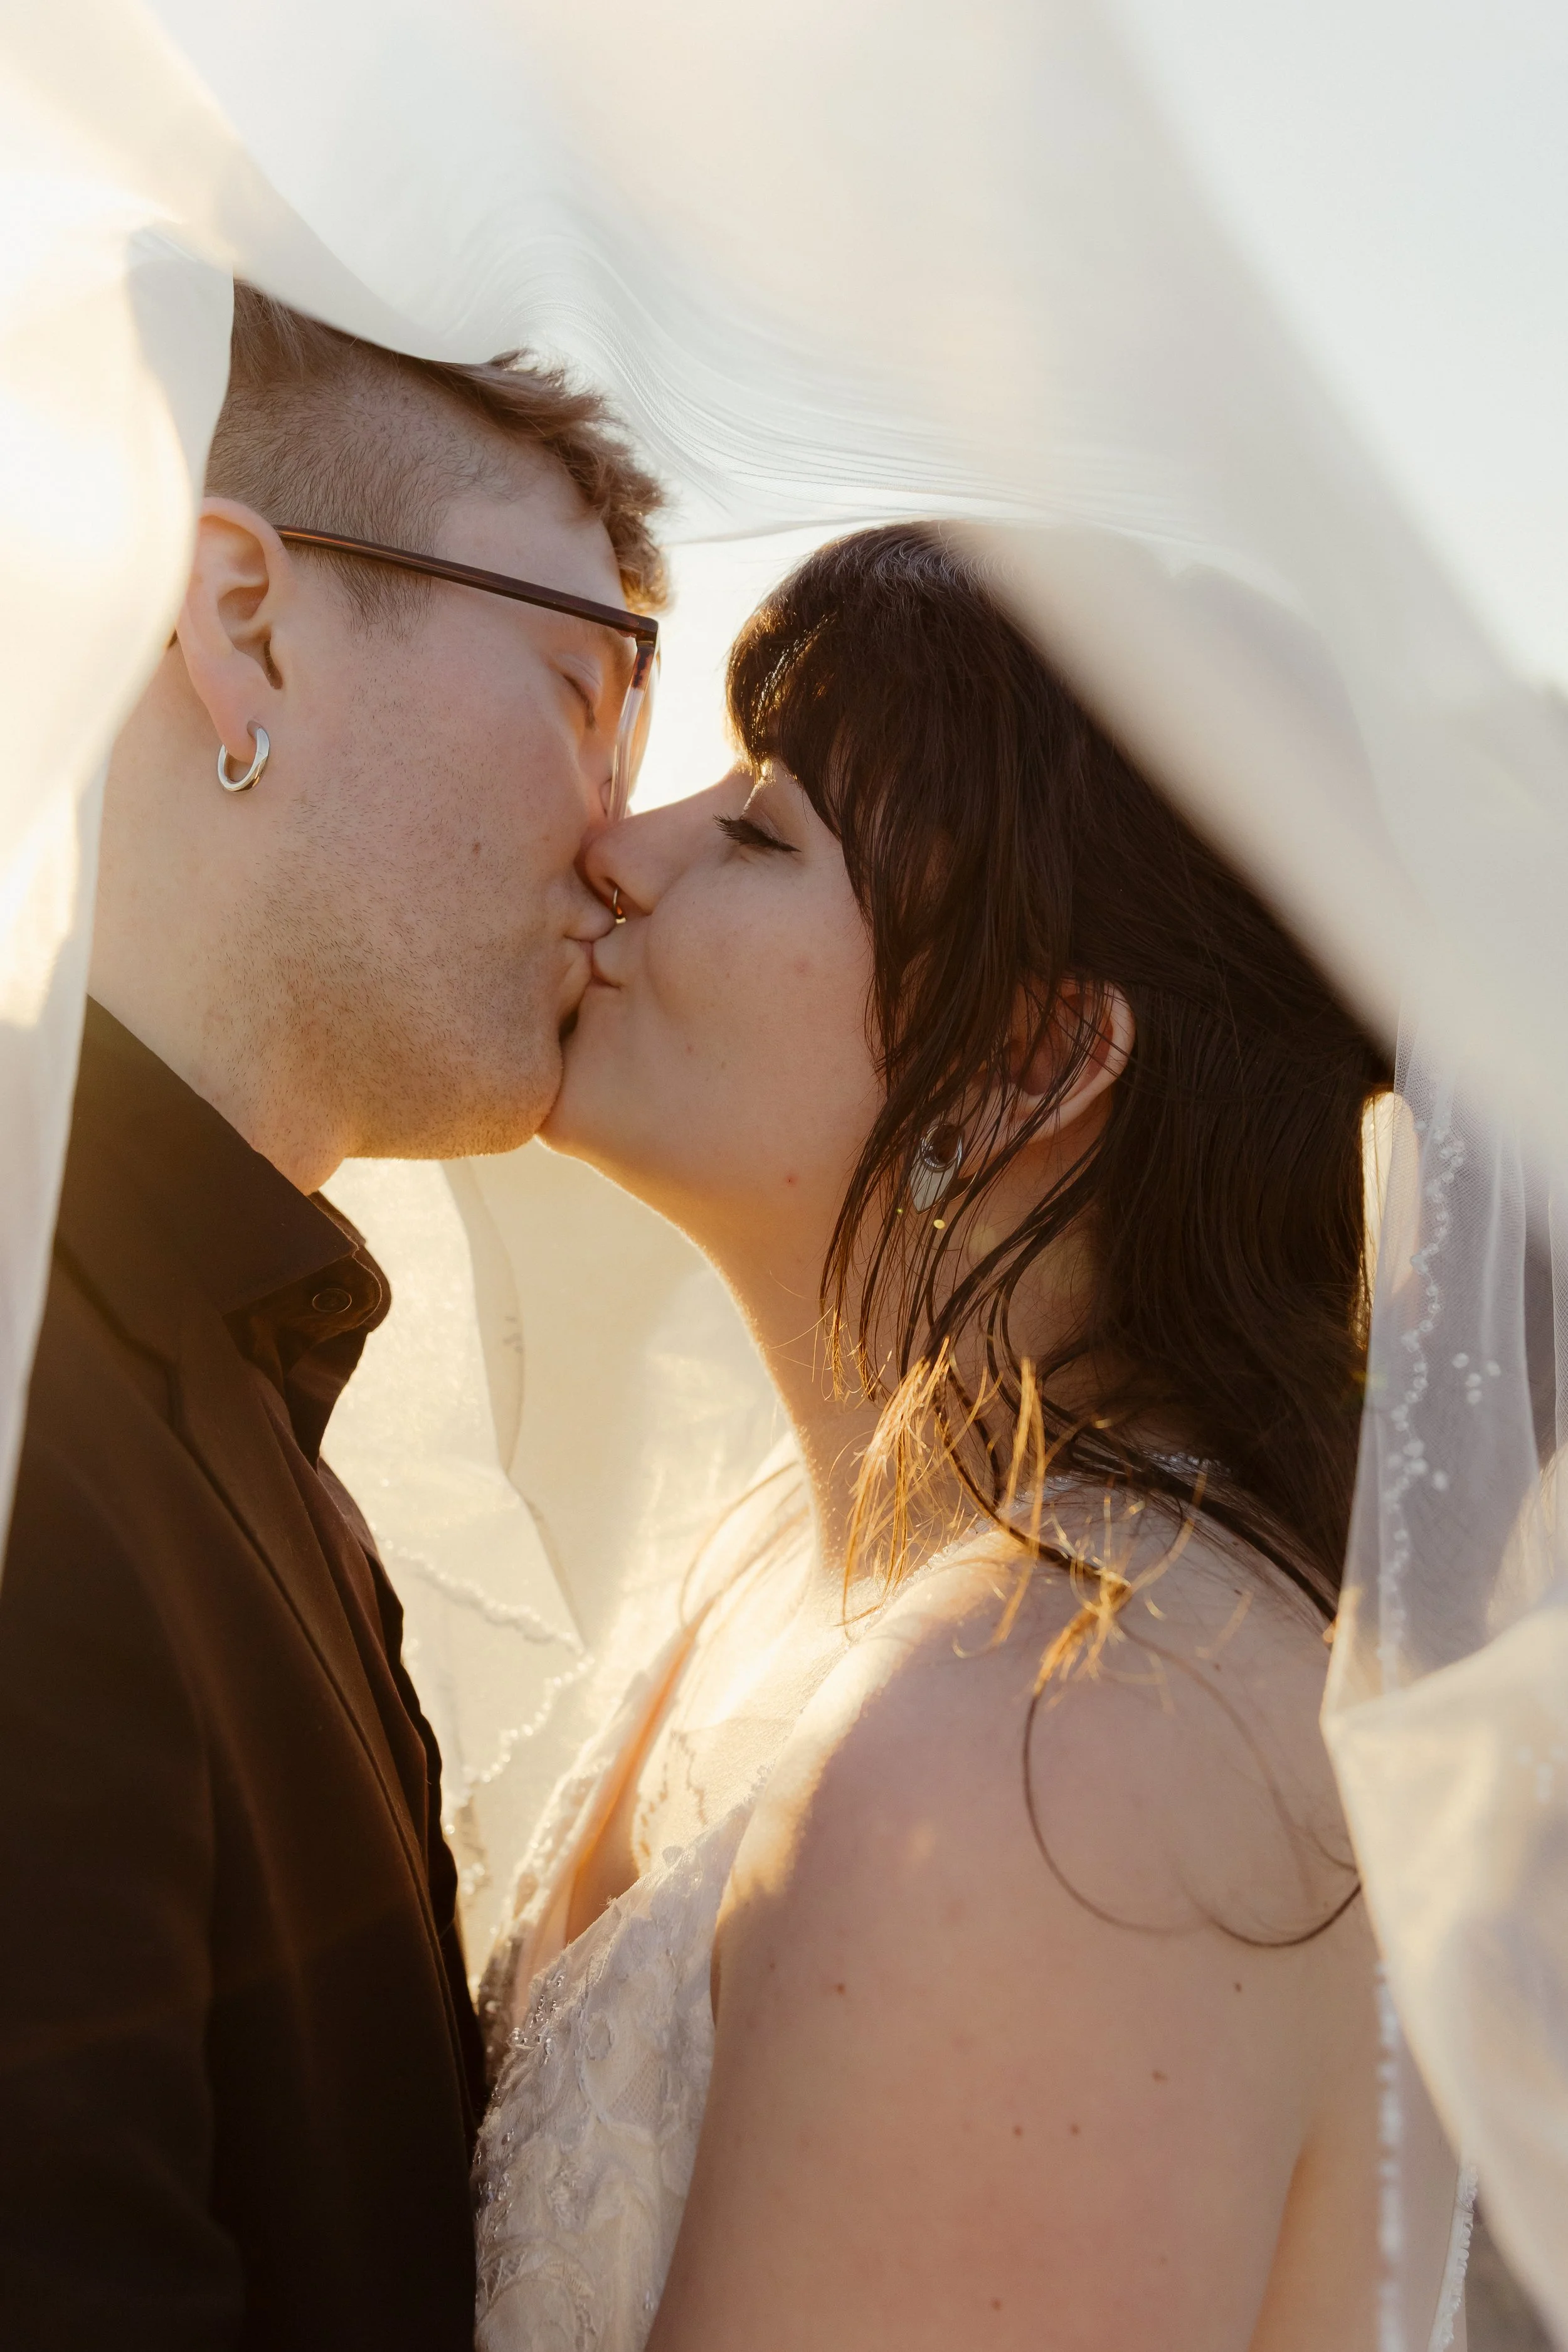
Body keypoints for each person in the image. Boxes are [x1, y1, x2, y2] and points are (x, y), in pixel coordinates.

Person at [474, 523, 1465, 2350]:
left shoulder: (1062, 1750)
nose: (615, 852)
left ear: (1030, 1064)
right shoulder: (793, 1541)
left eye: (759, 835)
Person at [0, 286, 664, 2349]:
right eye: (583, 686)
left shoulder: (241, 1406)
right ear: (245, 624)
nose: (624, 841)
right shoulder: (31, 1438)